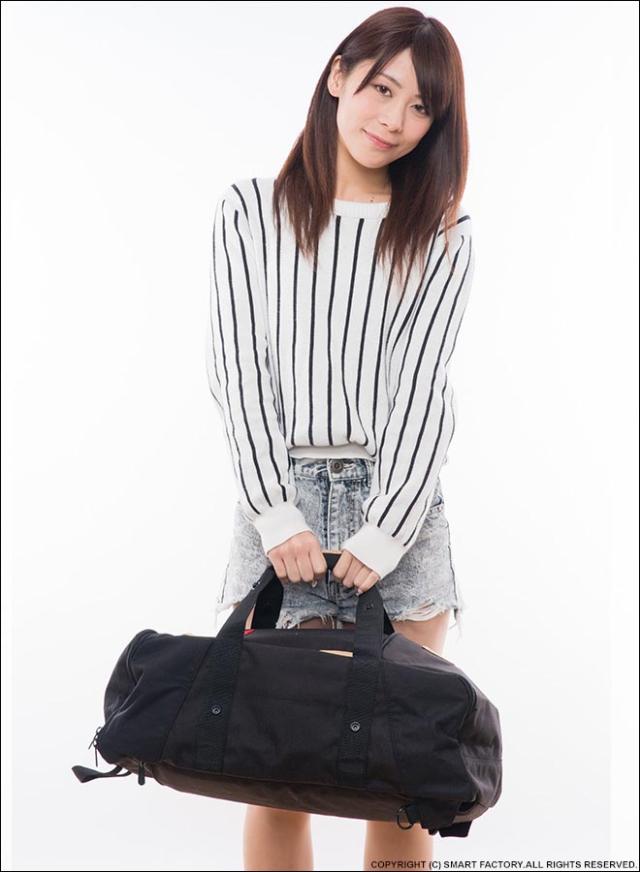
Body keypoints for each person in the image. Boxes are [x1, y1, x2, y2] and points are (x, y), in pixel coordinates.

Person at [205, 7, 475, 869]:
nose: (394, 120)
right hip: (278, 503)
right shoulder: (251, 210)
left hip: (400, 504)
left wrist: (387, 529)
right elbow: (238, 371)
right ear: (337, 76)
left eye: (422, 106)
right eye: (381, 88)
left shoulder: (440, 234)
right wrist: (275, 512)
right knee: (274, 775)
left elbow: (422, 392)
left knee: (399, 780)